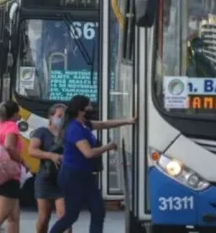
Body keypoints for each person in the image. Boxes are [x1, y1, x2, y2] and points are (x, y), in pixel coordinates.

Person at [49, 95, 136, 233]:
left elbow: (103, 124)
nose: (91, 108)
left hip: (85, 176)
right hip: (73, 176)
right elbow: (88, 153)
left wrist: (127, 121)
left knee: (98, 210)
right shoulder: (74, 128)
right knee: (71, 215)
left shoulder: (84, 124)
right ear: (81, 109)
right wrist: (109, 146)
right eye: (89, 106)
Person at [28, 103, 69, 233]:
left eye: (64, 117)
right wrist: (51, 155)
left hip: (63, 180)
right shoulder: (42, 132)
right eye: (59, 116)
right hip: (45, 179)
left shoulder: (68, 133)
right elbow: (32, 150)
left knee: (65, 217)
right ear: (51, 117)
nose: (61, 119)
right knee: (44, 217)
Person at [0, 101, 24, 233]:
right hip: (8, 178)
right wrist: (23, 162)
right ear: (14, 115)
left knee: (13, 217)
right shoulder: (12, 126)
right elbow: (9, 147)